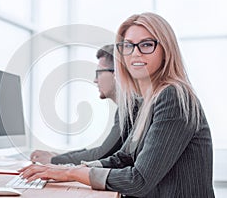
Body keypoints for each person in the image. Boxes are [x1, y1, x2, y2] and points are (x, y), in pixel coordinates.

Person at [19, 12, 215, 198]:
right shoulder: (148, 99)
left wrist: (71, 173)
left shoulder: (173, 96)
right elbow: (122, 158)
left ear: (166, 50)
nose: (135, 53)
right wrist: (66, 169)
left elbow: (139, 180)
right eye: (128, 46)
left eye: (146, 45)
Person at [30, 44, 128, 165]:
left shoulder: (129, 111)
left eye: (99, 73)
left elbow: (102, 153)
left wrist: (53, 160)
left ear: (117, 74)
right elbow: (104, 150)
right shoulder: (125, 109)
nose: (95, 80)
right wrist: (61, 156)